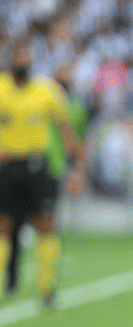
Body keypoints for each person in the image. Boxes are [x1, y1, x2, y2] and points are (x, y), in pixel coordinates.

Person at [0, 40, 86, 306]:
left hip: (37, 165)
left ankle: (47, 288)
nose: (23, 61)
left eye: (27, 56)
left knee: (45, 222)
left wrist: (78, 168)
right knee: (3, 225)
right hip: (7, 165)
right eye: (20, 55)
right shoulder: (1, 88)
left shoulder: (46, 91)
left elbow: (66, 130)